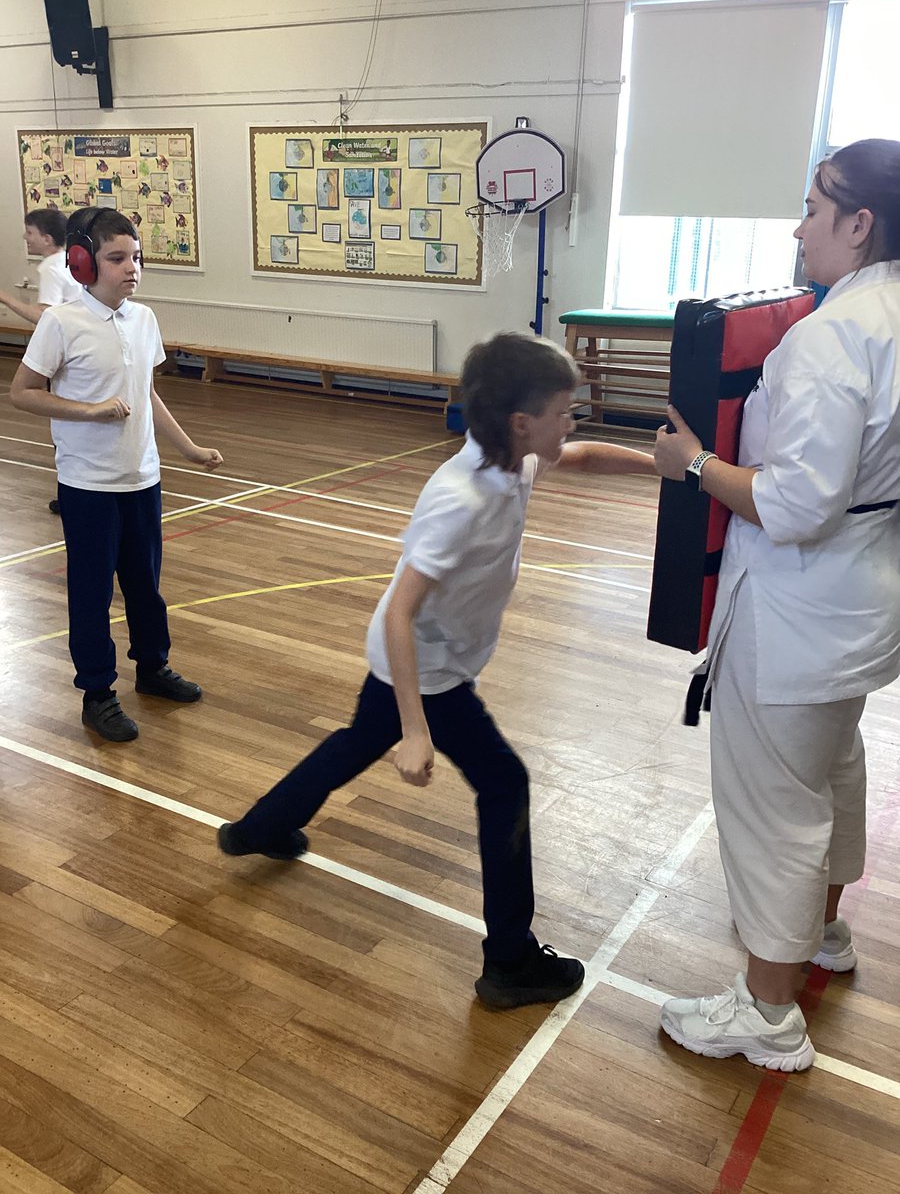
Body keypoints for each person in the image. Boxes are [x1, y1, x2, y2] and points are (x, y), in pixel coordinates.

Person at [219, 331, 658, 1009]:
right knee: (504, 783)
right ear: (521, 423)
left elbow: (585, 456)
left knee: (358, 739)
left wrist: (665, 466)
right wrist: (417, 730)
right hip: (424, 668)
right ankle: (509, 961)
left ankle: (261, 828)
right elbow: (401, 611)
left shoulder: (516, 462)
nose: (572, 422)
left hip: (430, 657)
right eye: (564, 411)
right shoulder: (463, 500)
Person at [653, 138, 900, 1071]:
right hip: (864, 599)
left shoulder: (834, 334)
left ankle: (766, 1015)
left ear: (858, 222)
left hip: (798, 608)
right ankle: (824, 935)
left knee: (773, 806)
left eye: (811, 208)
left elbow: (797, 505)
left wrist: (698, 467)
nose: (799, 230)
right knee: (830, 772)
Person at [10, 207, 224, 743]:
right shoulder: (61, 322)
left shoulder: (143, 319)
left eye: (136, 257)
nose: (132, 268)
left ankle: (152, 669)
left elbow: (145, 394)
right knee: (91, 592)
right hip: (87, 486)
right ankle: (98, 694)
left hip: (142, 480)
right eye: (117, 258)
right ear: (84, 262)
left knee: (145, 587)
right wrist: (90, 410)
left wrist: (189, 449)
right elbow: (23, 392)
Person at [0, 209, 84, 514]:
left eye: (30, 232)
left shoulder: (51, 266)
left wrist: (6, 299)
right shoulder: (71, 261)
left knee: (63, 422)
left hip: (64, 353)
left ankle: (70, 493)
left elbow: (45, 315)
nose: (26, 237)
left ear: (47, 238)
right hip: (79, 348)